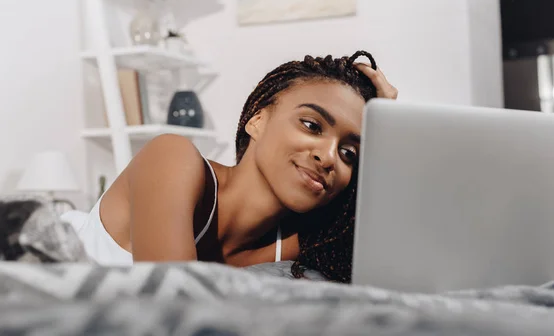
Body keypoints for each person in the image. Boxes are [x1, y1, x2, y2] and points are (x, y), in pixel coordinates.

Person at [61, 51, 398, 283]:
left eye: (349, 153)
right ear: (257, 120)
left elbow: (403, 241)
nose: (328, 157)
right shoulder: (171, 159)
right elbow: (173, 306)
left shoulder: (299, 244)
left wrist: (391, 130)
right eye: (311, 125)